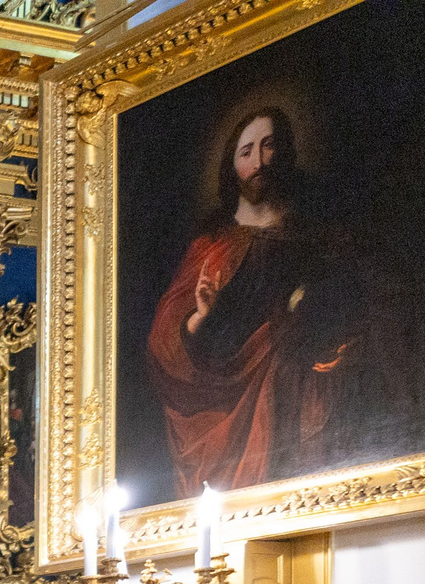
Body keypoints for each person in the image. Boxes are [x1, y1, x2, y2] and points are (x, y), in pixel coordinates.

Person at [145, 107, 374, 495]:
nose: (259, 162)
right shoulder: (211, 246)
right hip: (223, 406)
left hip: (301, 393)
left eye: (269, 146)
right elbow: (162, 345)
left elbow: (356, 313)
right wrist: (200, 317)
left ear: (284, 153)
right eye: (246, 151)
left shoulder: (319, 238)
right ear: (232, 164)